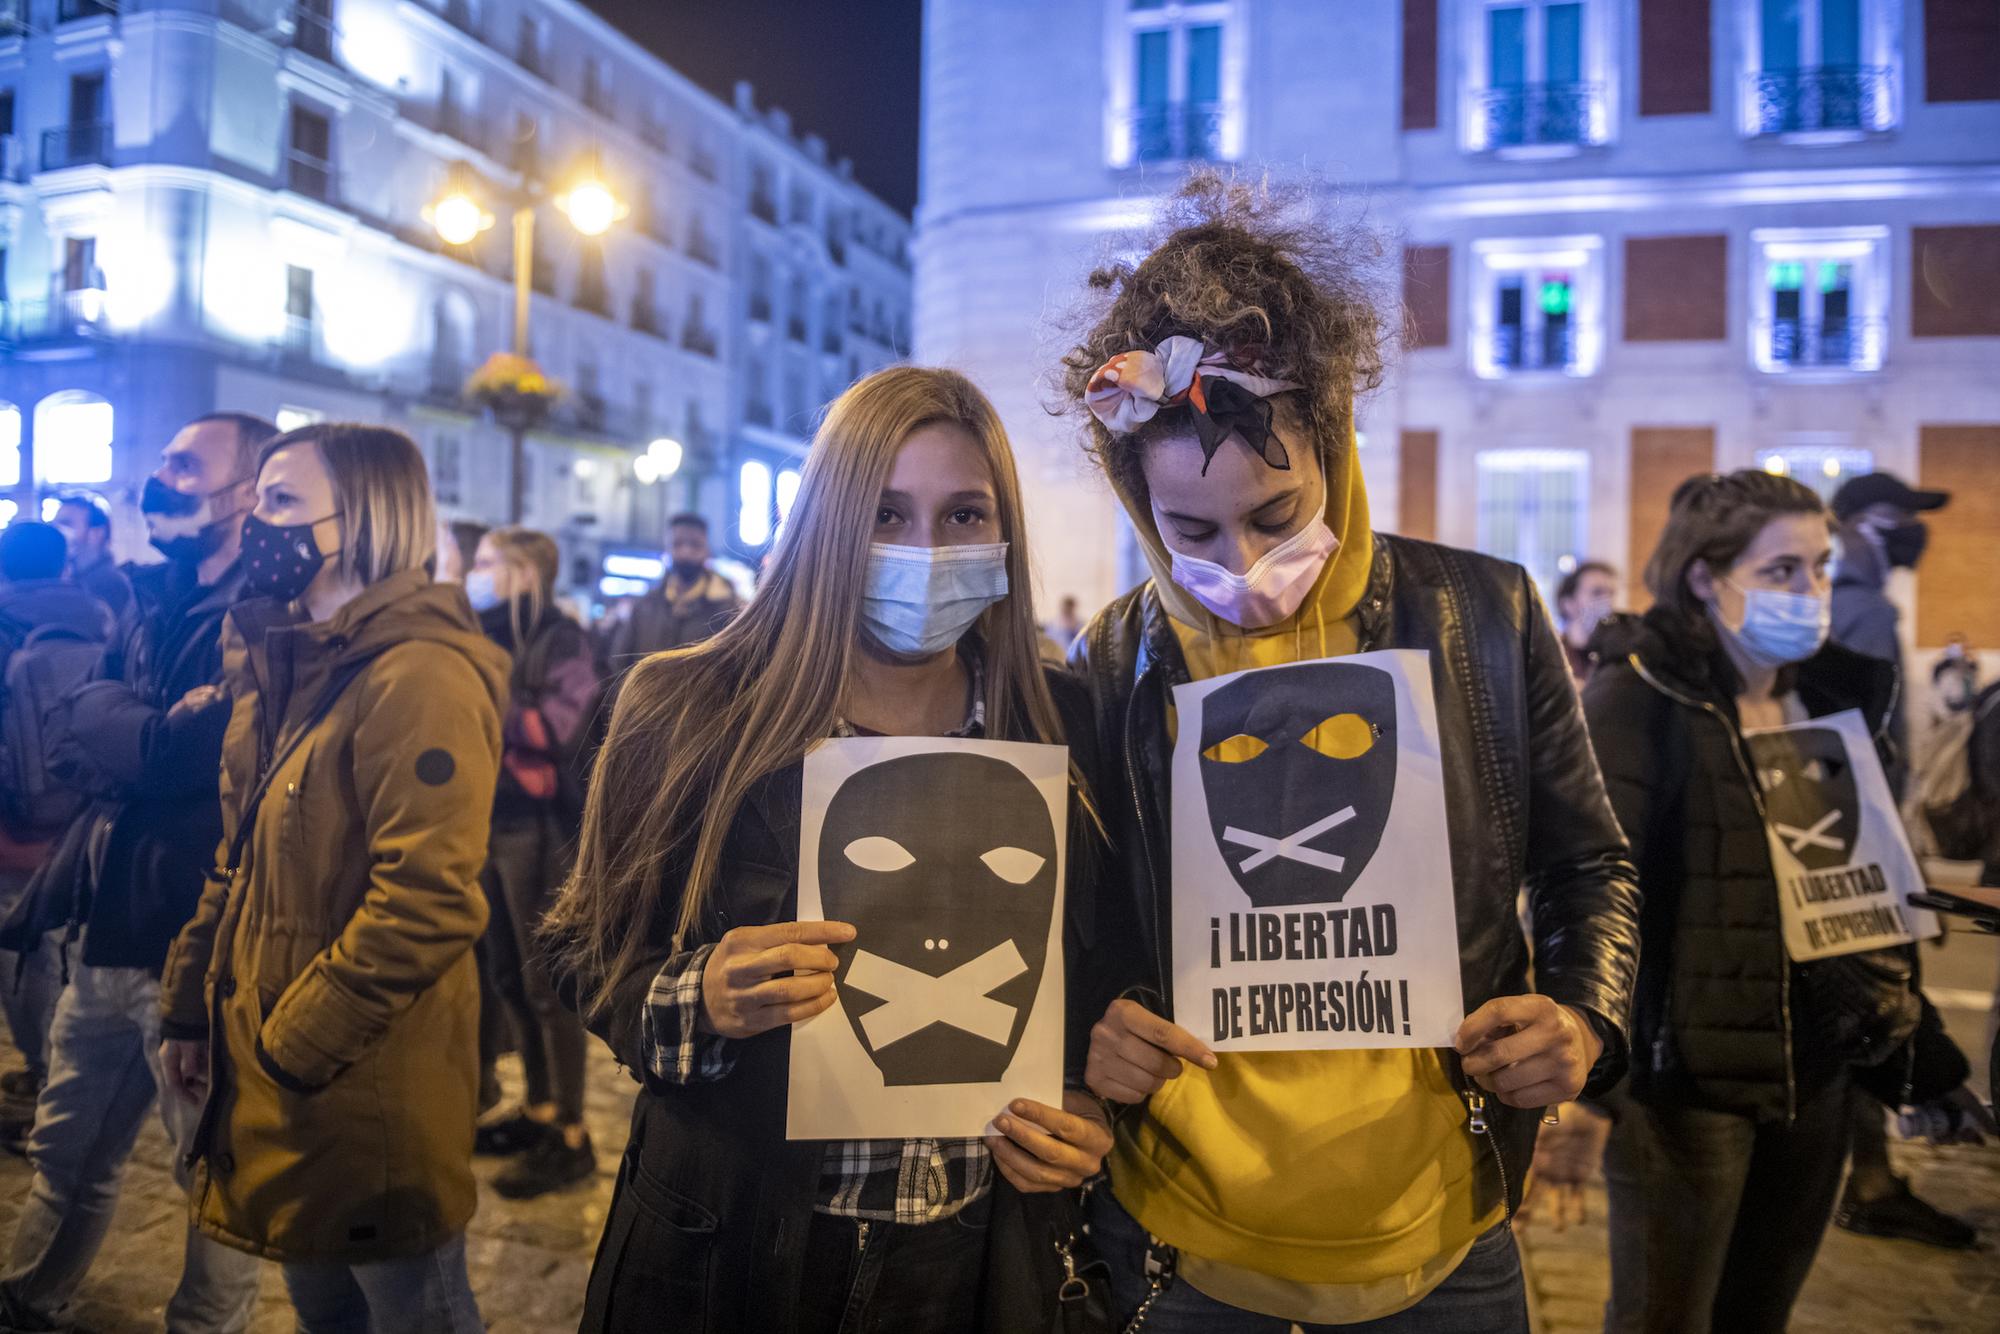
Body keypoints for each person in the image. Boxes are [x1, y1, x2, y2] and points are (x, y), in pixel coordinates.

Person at [1058, 174, 1640, 1332]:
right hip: (1179, 1243)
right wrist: (1095, 1023)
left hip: (1442, 1233)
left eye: (1276, 515)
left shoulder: (1485, 615)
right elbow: (1082, 917)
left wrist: (1582, 1018)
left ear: (1331, 448)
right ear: (1138, 509)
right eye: (1190, 532)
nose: (1240, 558)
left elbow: (1589, 867)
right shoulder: (1111, 657)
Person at [542, 367, 1112, 1332]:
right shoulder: (686, 710)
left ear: (1003, 535)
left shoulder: (1066, 727)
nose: (924, 551)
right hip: (734, 1247)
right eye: (885, 513)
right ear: (826, 523)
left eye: (964, 515)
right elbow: (586, 953)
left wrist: (1089, 1104)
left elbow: (1101, 979)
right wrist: (702, 999)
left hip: (974, 1260)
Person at [1582, 470, 1989, 1332]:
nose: (1810, 591)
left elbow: (1865, 898)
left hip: (1819, 1081)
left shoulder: (1831, 698)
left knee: (1758, 1316)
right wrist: (1597, 1076)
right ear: (1705, 575)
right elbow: (1591, 888)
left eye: (1818, 567)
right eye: (1782, 572)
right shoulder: (1640, 695)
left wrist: (1916, 1048)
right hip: (1686, 1093)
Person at [156, 423, 506, 1331]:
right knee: (324, 1310)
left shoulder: (416, 674)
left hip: (367, 1086)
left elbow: (426, 900)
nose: (256, 520)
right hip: (282, 1084)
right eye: (260, 496)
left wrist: (289, 1048)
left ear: (364, 521)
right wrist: (192, 1006)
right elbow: (239, 857)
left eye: (281, 503)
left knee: (413, 1310)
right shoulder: (292, 662)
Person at [0, 414, 274, 1333]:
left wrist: (138, 731)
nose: (161, 477)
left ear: (246, 493)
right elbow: (81, 733)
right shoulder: (144, 597)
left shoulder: (267, 615)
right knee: (68, 1147)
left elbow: (179, 758)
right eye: (163, 460)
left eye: (186, 464)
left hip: (198, 937)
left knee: (209, 1172)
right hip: (109, 924)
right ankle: (29, 1296)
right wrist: (141, 728)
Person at [1822, 470, 1973, 1249]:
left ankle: (1871, 1172)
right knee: (1875, 1005)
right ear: (1853, 524)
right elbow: (1866, 748)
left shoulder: (1866, 602)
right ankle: (1871, 1177)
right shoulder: (1862, 609)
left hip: (1859, 835)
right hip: (1862, 841)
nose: (1910, 531)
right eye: (1895, 517)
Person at [463, 526, 604, 1200]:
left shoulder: (560, 638)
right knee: (506, 977)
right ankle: (538, 1107)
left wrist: (485, 694)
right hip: (485, 820)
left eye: (491, 563)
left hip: (537, 830)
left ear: (526, 571)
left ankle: (572, 1133)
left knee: (548, 981)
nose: (476, 572)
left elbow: (559, 727)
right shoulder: (482, 636)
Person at [0, 522, 114, 1130]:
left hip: (16, 817)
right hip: (87, 807)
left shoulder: (4, 621)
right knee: (70, 938)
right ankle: (72, 1068)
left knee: (21, 942)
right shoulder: (103, 615)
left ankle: (41, 1067)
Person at [601, 513, 742, 666]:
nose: (686, 552)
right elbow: (619, 663)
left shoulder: (727, 611)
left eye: (695, 545)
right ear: (666, 549)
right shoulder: (645, 606)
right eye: (677, 544)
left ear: (707, 550)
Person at [49, 492, 132, 628]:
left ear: (97, 533)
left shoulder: (110, 585)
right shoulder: (72, 579)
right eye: (55, 524)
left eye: (66, 524)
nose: (57, 531)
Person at [1554, 560, 1617, 684]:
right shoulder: (1553, 656)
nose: (1607, 601)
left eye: (1611, 593)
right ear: (1569, 604)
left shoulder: (1614, 657)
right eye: (1597, 593)